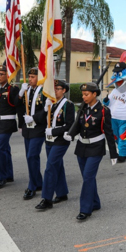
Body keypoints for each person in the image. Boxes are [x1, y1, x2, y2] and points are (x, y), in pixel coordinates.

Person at [64, 82, 118, 221]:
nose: (84, 97)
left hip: (96, 148)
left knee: (88, 177)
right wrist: (70, 134)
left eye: (86, 94)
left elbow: (109, 132)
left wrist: (113, 153)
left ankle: (85, 209)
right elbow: (78, 125)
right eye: (83, 94)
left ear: (95, 94)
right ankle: (95, 202)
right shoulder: (82, 108)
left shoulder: (104, 110)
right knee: (88, 178)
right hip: (81, 147)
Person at [35, 80, 75, 211]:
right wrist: (45, 108)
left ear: (64, 90)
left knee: (50, 167)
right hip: (49, 140)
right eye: (54, 88)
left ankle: (47, 199)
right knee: (57, 165)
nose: (55, 91)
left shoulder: (68, 105)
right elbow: (41, 119)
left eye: (58, 88)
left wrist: (53, 131)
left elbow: (70, 126)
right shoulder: (50, 103)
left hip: (61, 140)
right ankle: (62, 193)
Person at [17, 68, 46, 200]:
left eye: (33, 76)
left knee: (32, 156)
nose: (30, 79)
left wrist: (34, 117)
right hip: (28, 129)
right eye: (29, 76)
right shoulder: (28, 90)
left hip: (38, 128)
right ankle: (38, 182)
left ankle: (32, 186)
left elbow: (46, 111)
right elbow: (18, 107)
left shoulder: (44, 91)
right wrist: (21, 93)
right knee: (31, 157)